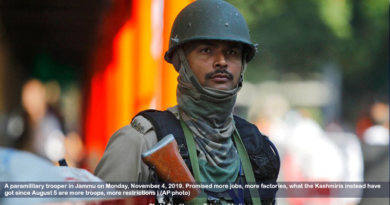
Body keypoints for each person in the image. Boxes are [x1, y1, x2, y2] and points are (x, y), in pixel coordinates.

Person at [95, 0, 280, 204]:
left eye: (232, 52)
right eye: (206, 50)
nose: (222, 61)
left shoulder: (256, 148)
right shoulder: (141, 143)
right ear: (180, 60)